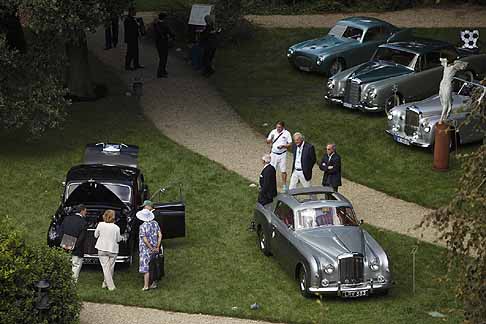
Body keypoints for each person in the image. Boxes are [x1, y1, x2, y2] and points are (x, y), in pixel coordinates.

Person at [94, 209, 124, 291]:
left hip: (102, 248)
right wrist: (122, 238)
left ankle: (106, 284)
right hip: (113, 249)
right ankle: (110, 286)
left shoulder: (100, 225)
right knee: (110, 268)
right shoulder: (116, 228)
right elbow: (118, 239)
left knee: (106, 268)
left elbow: (95, 235)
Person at [59, 204, 88, 282]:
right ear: (82, 211)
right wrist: (74, 246)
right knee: (76, 265)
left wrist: (65, 244)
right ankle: (72, 282)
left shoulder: (67, 219)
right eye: (85, 211)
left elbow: (60, 232)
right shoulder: (83, 222)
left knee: (64, 265)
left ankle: (63, 281)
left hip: (65, 246)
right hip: (77, 249)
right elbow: (81, 238)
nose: (86, 213)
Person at [136, 208, 162, 291]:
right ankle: (154, 283)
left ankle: (146, 286)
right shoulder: (155, 223)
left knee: (146, 267)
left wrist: (151, 248)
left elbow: (144, 239)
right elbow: (160, 235)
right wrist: (157, 247)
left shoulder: (142, 226)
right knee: (154, 265)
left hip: (145, 250)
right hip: (155, 248)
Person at [266, 121, 292, 192]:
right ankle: (270, 183)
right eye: (277, 127)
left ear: (283, 127)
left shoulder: (287, 133)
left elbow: (290, 144)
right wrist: (270, 139)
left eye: (279, 127)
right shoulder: (273, 132)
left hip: (282, 154)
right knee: (271, 169)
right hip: (273, 154)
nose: (278, 128)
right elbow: (267, 141)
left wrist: (283, 146)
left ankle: (284, 185)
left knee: (283, 170)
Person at [153, 12, 175, 78]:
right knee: (164, 58)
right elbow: (171, 33)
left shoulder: (156, 24)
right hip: (164, 43)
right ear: (164, 18)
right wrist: (173, 37)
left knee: (161, 57)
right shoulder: (165, 25)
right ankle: (160, 72)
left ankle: (163, 70)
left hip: (158, 43)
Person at [124, 6, 143, 70]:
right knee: (130, 52)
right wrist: (138, 25)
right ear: (131, 12)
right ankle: (127, 65)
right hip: (131, 38)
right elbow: (130, 29)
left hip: (134, 38)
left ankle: (136, 64)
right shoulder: (128, 19)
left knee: (135, 51)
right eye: (134, 11)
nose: (136, 12)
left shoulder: (131, 18)